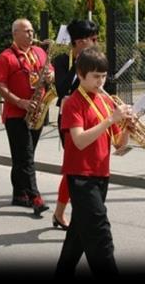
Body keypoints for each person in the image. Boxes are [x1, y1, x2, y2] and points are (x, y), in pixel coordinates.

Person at [55, 46, 133, 278]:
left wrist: (127, 126)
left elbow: (119, 145)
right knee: (100, 235)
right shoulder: (72, 102)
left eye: (104, 76)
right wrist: (111, 120)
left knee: (78, 236)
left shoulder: (106, 101)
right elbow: (79, 140)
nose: (101, 81)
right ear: (80, 75)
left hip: (101, 174)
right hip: (80, 176)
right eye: (95, 76)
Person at [0, 18, 54, 215]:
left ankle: (19, 193)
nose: (31, 34)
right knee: (26, 157)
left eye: (31, 30)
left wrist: (50, 76)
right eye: (26, 31)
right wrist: (20, 101)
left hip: (37, 111)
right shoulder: (6, 57)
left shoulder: (39, 52)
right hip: (16, 114)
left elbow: (50, 70)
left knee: (23, 157)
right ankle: (35, 197)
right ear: (15, 34)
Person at [51, 19, 99, 230]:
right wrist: (78, 64)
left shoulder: (96, 59)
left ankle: (61, 213)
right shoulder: (62, 60)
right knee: (74, 169)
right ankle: (65, 214)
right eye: (94, 39)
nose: (97, 43)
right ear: (80, 42)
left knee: (82, 169)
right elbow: (62, 89)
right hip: (70, 121)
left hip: (93, 117)